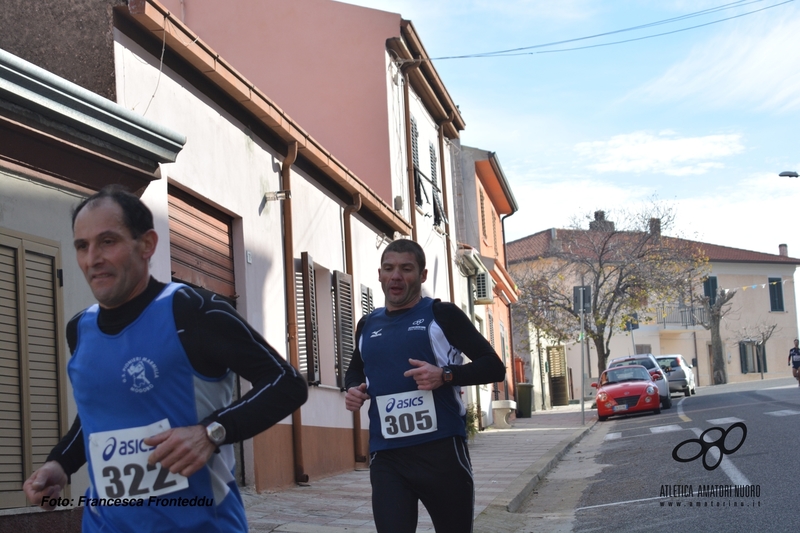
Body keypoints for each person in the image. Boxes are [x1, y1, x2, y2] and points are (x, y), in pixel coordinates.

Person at [23, 185, 308, 532]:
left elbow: (287, 384)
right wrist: (60, 463)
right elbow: (97, 413)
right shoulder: (79, 329)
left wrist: (211, 433)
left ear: (147, 245)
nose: (92, 258)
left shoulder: (192, 311)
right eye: (82, 246)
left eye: (107, 241)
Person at [344, 239, 506, 533]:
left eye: (406, 268)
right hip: (387, 456)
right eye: (389, 268)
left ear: (422, 275)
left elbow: (494, 366)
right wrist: (354, 388)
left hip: (441, 452)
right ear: (380, 275)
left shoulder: (442, 315)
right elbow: (356, 368)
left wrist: (445, 375)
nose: (396, 276)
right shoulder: (367, 324)